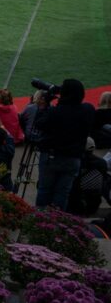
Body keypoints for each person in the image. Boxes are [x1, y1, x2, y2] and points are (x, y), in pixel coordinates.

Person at [34, 79, 94, 210]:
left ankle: (41, 219)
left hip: (52, 157)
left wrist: (45, 104)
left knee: (45, 190)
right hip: (73, 159)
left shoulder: (55, 112)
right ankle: (58, 220)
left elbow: (38, 124)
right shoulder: (88, 110)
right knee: (63, 193)